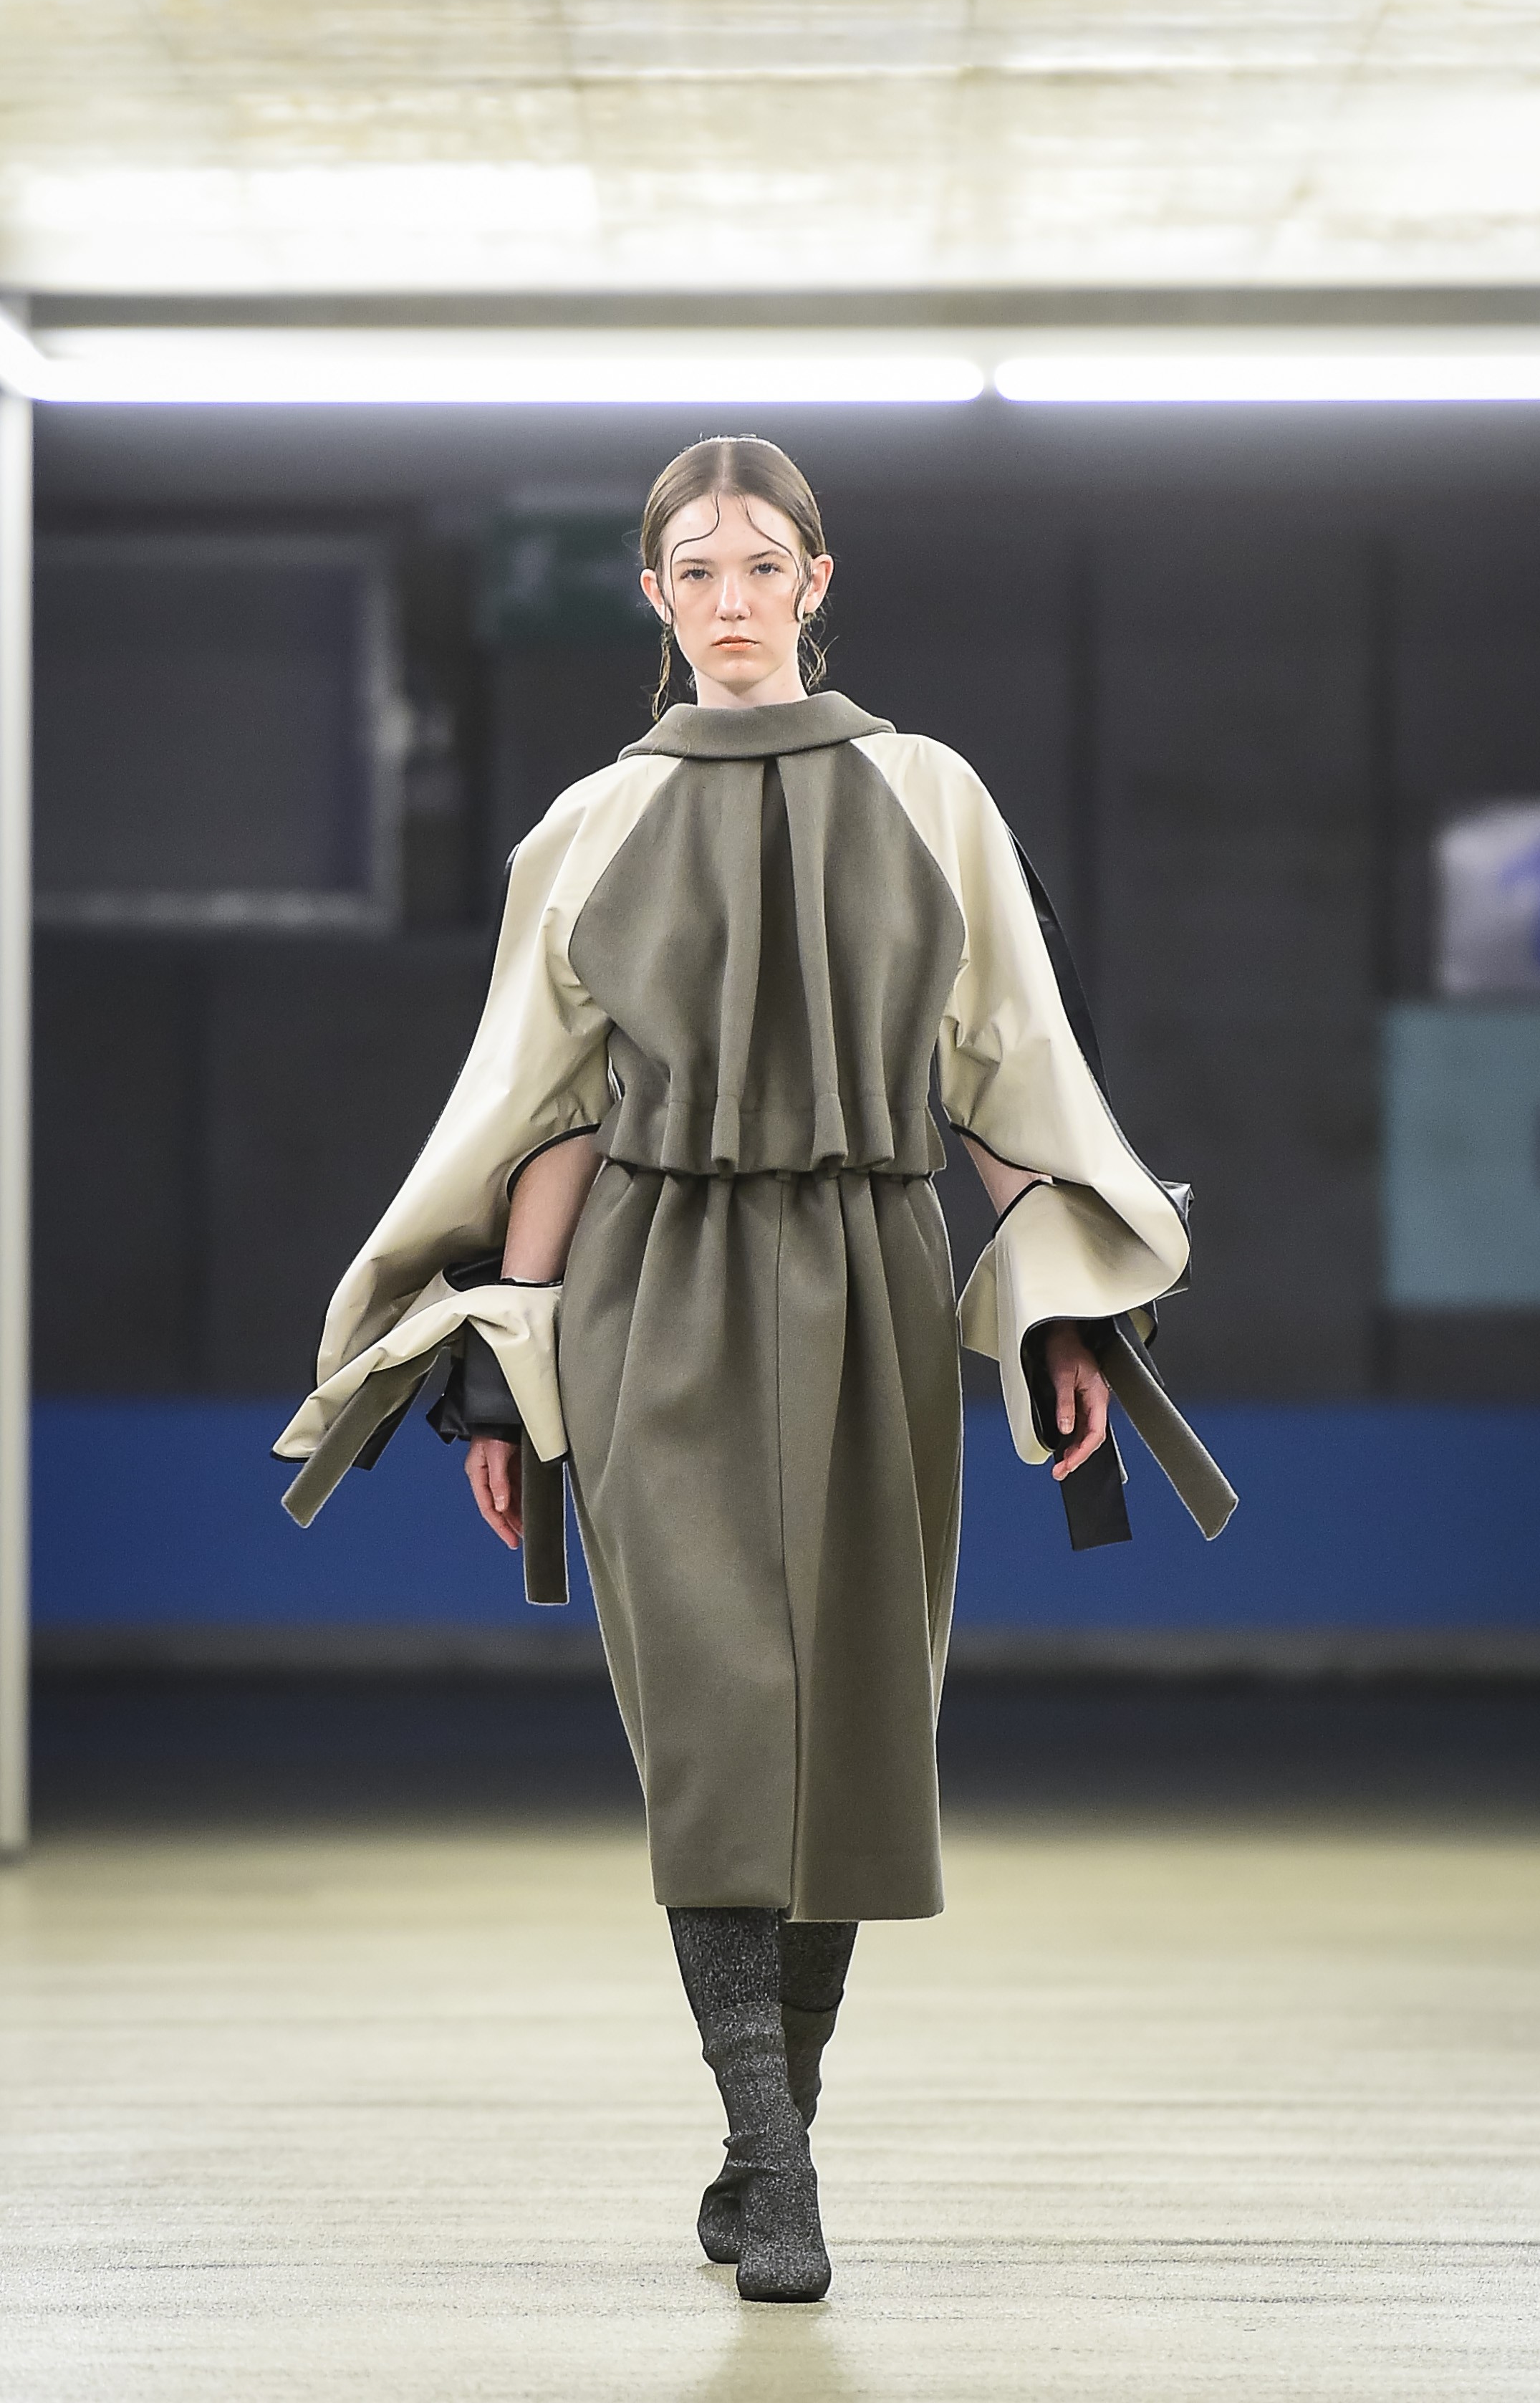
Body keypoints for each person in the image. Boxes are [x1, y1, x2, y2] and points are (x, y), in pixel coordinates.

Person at [276, 436, 1229, 2305]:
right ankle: (778, 2164)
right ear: (654, 595)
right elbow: (543, 1110)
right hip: (657, 1288)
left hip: (876, 1270)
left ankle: (761, 2132)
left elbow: (1003, 1070)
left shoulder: (929, 794)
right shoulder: (589, 826)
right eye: (695, 568)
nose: (730, 597)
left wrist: (1065, 1311)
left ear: (815, 581)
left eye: (761, 564)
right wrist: (510, 1362)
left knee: (853, 1723)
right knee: (716, 1723)